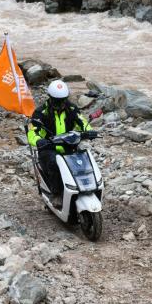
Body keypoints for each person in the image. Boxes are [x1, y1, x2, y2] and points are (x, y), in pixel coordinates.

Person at [27, 79, 92, 208]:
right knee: (53, 162)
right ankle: (56, 193)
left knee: (83, 160)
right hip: (48, 147)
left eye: (62, 100)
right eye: (57, 101)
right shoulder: (41, 112)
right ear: (50, 98)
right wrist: (39, 140)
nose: (60, 103)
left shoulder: (71, 108)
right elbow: (32, 131)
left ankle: (86, 187)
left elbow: (81, 122)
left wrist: (88, 131)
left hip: (69, 145)